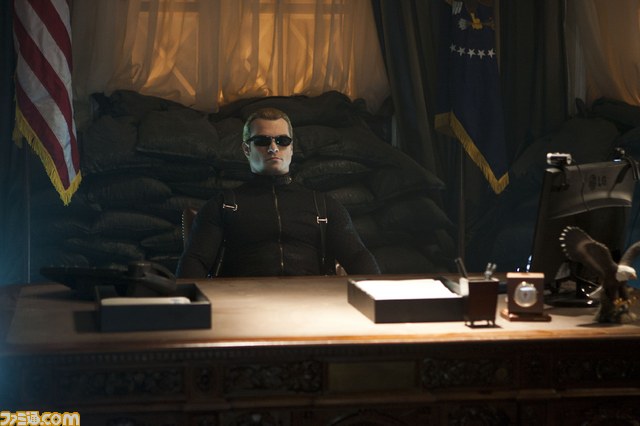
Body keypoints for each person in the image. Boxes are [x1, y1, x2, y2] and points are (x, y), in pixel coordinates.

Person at [176, 107, 380, 278]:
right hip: (243, 304)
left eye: (282, 141)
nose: (273, 148)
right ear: (247, 150)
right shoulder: (223, 206)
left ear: (291, 148)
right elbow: (195, 262)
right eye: (262, 141)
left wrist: (381, 301)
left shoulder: (324, 207)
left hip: (311, 304)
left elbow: (357, 257)